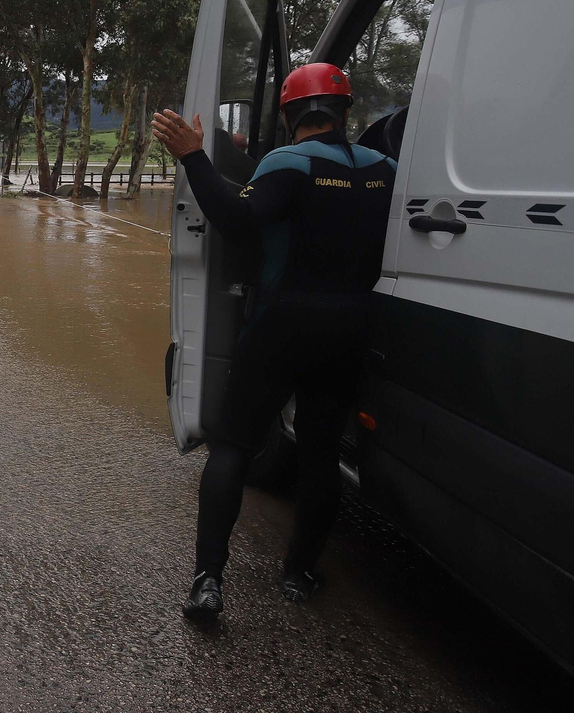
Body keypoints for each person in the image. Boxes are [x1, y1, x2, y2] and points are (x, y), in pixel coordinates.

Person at [151, 63, 396, 621]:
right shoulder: (386, 169)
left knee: (233, 445)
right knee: (320, 452)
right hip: (350, 331)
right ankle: (300, 573)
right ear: (346, 113)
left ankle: (208, 581)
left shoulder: (288, 162)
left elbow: (237, 220)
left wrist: (195, 155)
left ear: (288, 116)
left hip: (280, 327)